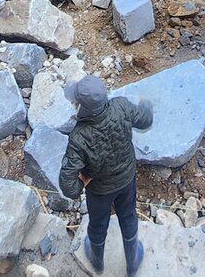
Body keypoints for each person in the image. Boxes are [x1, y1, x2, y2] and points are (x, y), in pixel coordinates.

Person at [59, 75, 153, 276]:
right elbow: (145, 120)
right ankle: (132, 262)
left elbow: (68, 186)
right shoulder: (121, 107)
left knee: (98, 222)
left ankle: (97, 260)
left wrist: (81, 183)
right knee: (128, 216)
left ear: (81, 107)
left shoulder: (78, 137)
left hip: (99, 191)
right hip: (126, 180)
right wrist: (146, 105)